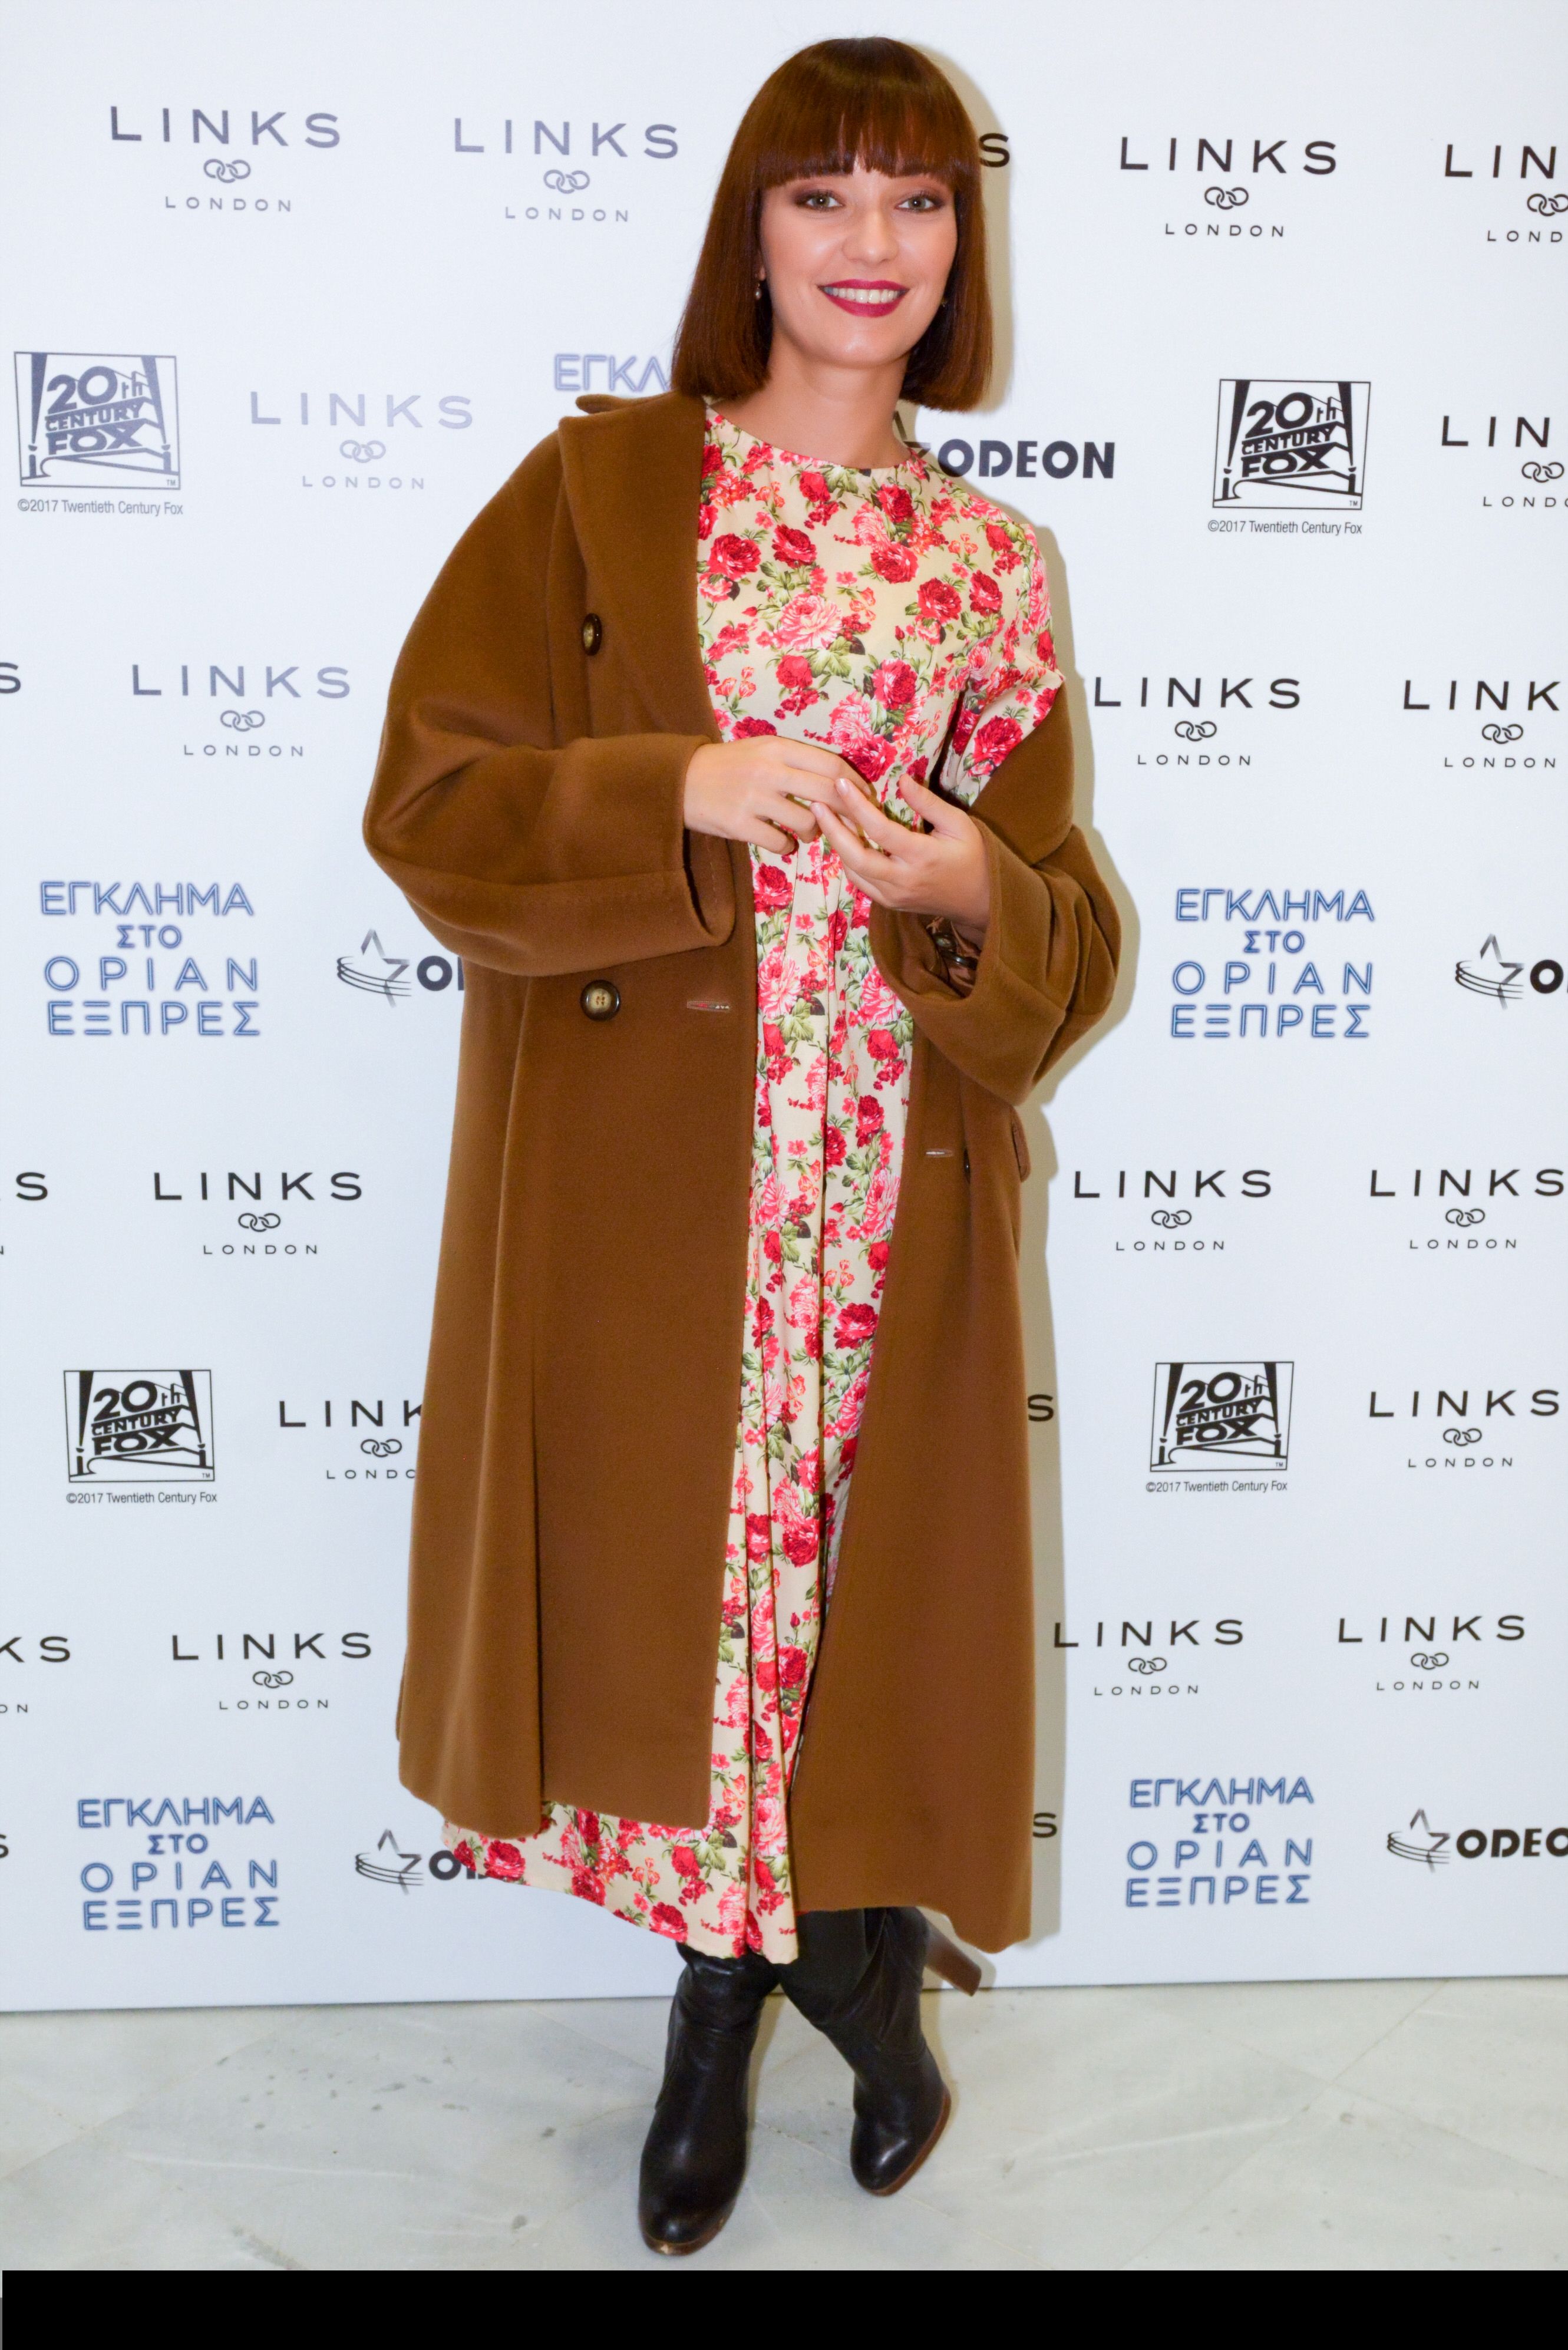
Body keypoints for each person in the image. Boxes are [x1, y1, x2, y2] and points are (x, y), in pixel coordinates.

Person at [364, 34, 1119, 2257]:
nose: (874, 243)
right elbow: (431, 806)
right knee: (699, 1612)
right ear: (753, 237)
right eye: (824, 196)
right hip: (652, 1182)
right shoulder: (606, 491)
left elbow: (1063, 934)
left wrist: (967, 886)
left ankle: (813, 1983)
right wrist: (674, 785)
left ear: (961, 244)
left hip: (891, 1171)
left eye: (919, 200)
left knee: (841, 1617)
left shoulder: (992, 563)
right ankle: (787, 1991)